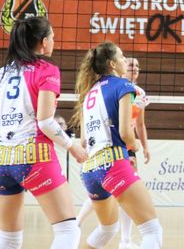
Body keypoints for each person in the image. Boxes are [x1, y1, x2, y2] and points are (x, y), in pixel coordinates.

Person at [0, 16, 87, 249]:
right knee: (68, 230)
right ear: (43, 42)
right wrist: (72, 146)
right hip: (33, 156)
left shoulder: (3, 73)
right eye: (53, 37)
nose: (54, 42)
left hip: (3, 160)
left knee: (8, 239)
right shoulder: (46, 69)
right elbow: (46, 122)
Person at [73, 42, 162, 249]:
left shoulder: (89, 92)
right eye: (122, 57)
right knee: (152, 230)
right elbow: (125, 132)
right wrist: (135, 145)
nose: (125, 60)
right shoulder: (124, 86)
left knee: (106, 230)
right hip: (113, 162)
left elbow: (84, 141)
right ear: (112, 64)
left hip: (89, 170)